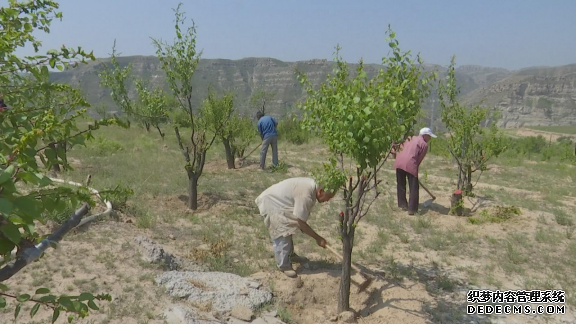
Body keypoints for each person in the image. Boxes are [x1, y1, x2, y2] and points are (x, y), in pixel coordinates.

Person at [255, 177, 336, 278]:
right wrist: (318, 238)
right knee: (282, 230)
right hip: (272, 203)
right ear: (320, 191)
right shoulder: (306, 195)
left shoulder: (311, 189)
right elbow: (301, 223)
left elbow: (300, 220)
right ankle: (284, 265)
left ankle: (290, 255)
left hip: (280, 202)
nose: (327, 200)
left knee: (289, 226)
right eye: (328, 197)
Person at [392, 127, 437, 215]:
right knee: (414, 188)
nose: (430, 138)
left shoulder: (409, 137)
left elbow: (398, 147)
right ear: (425, 136)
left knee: (401, 184)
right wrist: (414, 171)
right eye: (429, 136)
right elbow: (419, 160)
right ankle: (412, 209)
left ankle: (402, 204)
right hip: (411, 164)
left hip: (399, 162)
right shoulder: (424, 144)